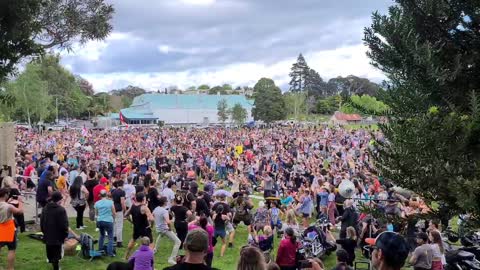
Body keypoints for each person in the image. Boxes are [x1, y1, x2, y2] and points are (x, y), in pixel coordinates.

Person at [40, 191, 69, 270]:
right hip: (57, 236)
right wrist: (65, 235)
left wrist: (43, 231)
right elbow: (64, 224)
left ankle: (53, 263)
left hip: (48, 234)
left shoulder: (45, 208)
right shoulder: (61, 210)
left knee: (50, 252)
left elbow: (42, 222)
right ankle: (55, 266)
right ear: (59, 200)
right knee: (56, 253)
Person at [124, 192, 154, 260]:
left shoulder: (133, 206)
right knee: (151, 244)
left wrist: (131, 221)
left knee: (133, 240)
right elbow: (152, 219)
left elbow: (126, 215)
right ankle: (149, 261)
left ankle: (126, 256)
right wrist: (151, 226)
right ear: (143, 199)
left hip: (136, 227)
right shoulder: (144, 208)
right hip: (145, 228)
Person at [0, 188, 24, 270]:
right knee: (11, 249)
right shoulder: (8, 206)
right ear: (6, 195)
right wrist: (20, 202)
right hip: (8, 229)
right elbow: (20, 211)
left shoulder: (6, 204)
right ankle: (10, 268)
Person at [153, 196, 181, 265]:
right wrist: (170, 228)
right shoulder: (164, 211)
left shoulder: (156, 209)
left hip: (158, 228)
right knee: (178, 242)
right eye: (166, 201)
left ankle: (155, 249)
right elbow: (168, 222)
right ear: (164, 202)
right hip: (164, 229)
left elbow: (152, 216)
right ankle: (171, 259)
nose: (167, 202)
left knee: (160, 235)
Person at [94, 189, 115, 257]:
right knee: (110, 237)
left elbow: (96, 214)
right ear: (106, 195)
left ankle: (100, 250)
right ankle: (110, 253)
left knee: (102, 235)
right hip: (108, 220)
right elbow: (114, 212)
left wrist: (97, 221)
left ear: (100, 195)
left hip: (100, 221)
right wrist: (114, 219)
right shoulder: (110, 202)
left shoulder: (97, 203)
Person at [112, 180, 126, 247]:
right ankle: (119, 241)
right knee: (119, 225)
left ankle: (114, 237)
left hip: (113, 208)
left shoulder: (113, 191)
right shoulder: (122, 192)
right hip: (119, 209)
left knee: (114, 223)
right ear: (122, 185)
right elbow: (122, 202)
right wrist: (124, 209)